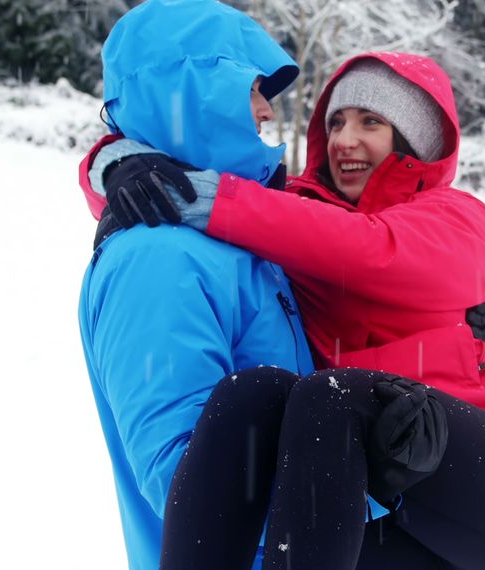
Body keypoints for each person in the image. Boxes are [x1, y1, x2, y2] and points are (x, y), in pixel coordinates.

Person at [80, 5, 485, 569]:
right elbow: (234, 205)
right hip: (375, 488)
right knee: (266, 393)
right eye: (335, 123)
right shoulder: (255, 231)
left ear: (415, 139)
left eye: (371, 123)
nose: (345, 140)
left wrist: (190, 193)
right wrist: (116, 163)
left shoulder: (453, 215)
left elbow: (364, 249)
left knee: (328, 397)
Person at [76, 2, 310, 569]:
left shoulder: (235, 245)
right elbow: (194, 490)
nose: (267, 112)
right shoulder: (159, 259)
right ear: (192, 89)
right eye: (252, 88)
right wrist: (383, 485)